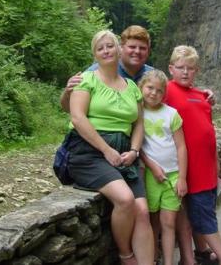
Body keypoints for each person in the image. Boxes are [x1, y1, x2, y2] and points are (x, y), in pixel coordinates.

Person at [67, 29, 154, 265]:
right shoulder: (87, 79)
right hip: (89, 152)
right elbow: (77, 118)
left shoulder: (132, 87)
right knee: (125, 200)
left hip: (125, 152)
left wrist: (135, 151)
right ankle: (126, 255)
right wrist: (107, 150)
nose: (106, 50)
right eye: (100, 48)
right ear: (95, 55)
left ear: (119, 49)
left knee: (143, 212)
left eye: (110, 46)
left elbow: (138, 123)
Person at [164, 46, 221, 265]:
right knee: (201, 212)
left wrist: (216, 161)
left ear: (197, 70)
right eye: (180, 67)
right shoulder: (165, 91)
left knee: (193, 212)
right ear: (170, 69)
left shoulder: (202, 95)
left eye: (190, 68)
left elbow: (209, 130)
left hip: (206, 164)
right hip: (185, 165)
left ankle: (198, 254)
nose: (185, 72)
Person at [139, 70, 188, 265]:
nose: (153, 93)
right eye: (150, 88)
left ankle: (168, 262)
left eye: (159, 91)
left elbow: (181, 146)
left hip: (173, 175)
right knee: (153, 222)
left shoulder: (171, 113)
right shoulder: (136, 112)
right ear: (141, 87)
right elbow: (137, 146)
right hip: (150, 175)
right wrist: (152, 166)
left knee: (169, 222)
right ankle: (153, 257)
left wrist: (182, 177)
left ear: (164, 93)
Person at [60, 25, 153, 112]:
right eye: (132, 47)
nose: (137, 51)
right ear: (120, 48)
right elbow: (70, 110)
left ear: (148, 51)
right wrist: (67, 93)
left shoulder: (153, 76)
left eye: (142, 48)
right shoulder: (96, 72)